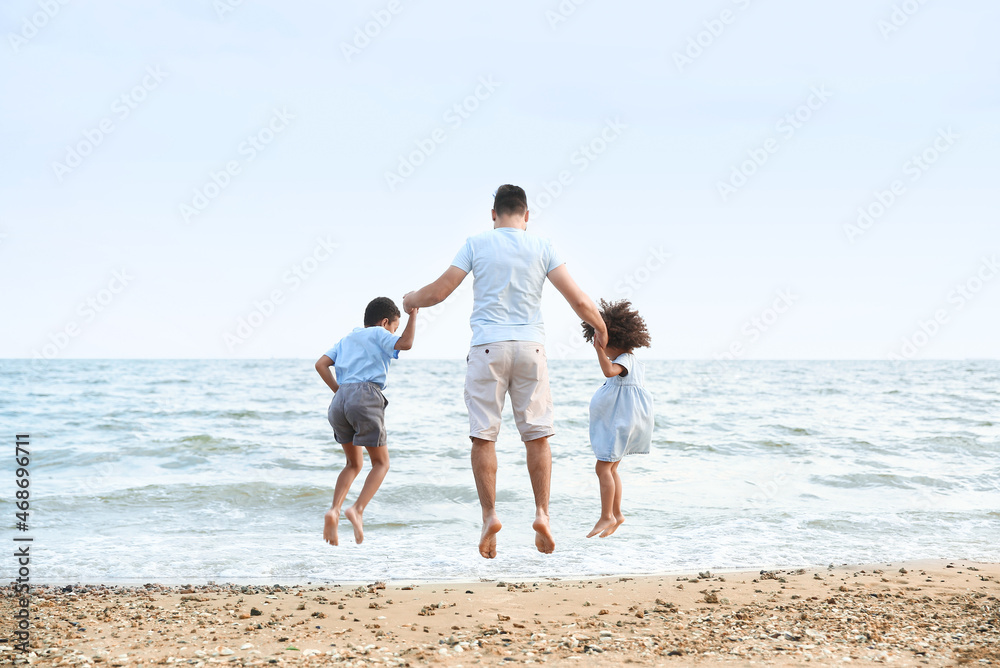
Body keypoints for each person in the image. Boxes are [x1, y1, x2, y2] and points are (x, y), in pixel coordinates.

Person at [402, 184, 608, 559]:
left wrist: (410, 300)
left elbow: (439, 292)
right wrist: (600, 327)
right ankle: (542, 514)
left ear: (494, 215)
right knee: (538, 436)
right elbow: (578, 299)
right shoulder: (543, 246)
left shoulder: (477, 243)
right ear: (526, 216)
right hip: (531, 348)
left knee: (484, 437)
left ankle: (490, 516)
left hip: (487, 347)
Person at [315, 296, 418, 546]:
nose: (393, 333)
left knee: (353, 463)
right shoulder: (378, 333)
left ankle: (334, 510)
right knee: (381, 463)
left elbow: (321, 365)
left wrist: (340, 392)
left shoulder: (347, 338)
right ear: (385, 322)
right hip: (365, 395)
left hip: (340, 401)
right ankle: (357, 509)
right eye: (394, 327)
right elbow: (406, 343)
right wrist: (414, 315)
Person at [581, 299, 654, 538]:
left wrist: (598, 351)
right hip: (622, 422)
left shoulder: (623, 360)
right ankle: (617, 514)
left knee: (602, 468)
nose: (602, 348)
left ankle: (607, 516)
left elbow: (608, 371)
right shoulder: (631, 361)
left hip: (619, 423)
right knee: (611, 470)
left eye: (604, 343)